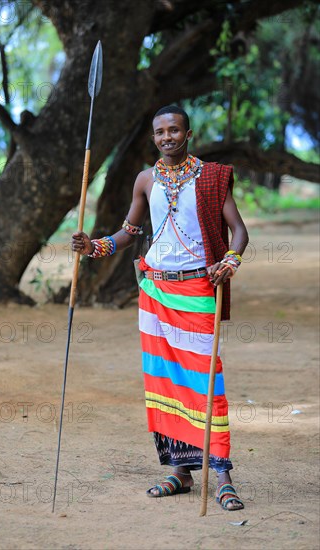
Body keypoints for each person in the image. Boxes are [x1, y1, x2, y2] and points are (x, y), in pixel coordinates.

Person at [72, 105, 249, 511]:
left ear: (189, 134)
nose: (166, 137)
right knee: (164, 382)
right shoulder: (145, 180)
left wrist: (231, 260)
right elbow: (129, 233)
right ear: (153, 138)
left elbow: (238, 231)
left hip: (199, 291)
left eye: (174, 130)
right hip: (154, 294)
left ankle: (221, 475)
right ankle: (180, 472)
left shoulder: (211, 178)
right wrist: (94, 246)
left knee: (206, 384)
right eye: (159, 132)